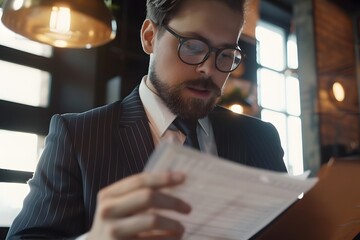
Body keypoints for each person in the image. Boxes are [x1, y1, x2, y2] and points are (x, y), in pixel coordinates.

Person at [7, 0, 287, 239]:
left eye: (226, 54)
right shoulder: (77, 136)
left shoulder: (260, 137)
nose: (208, 68)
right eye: (192, 46)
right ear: (150, 37)